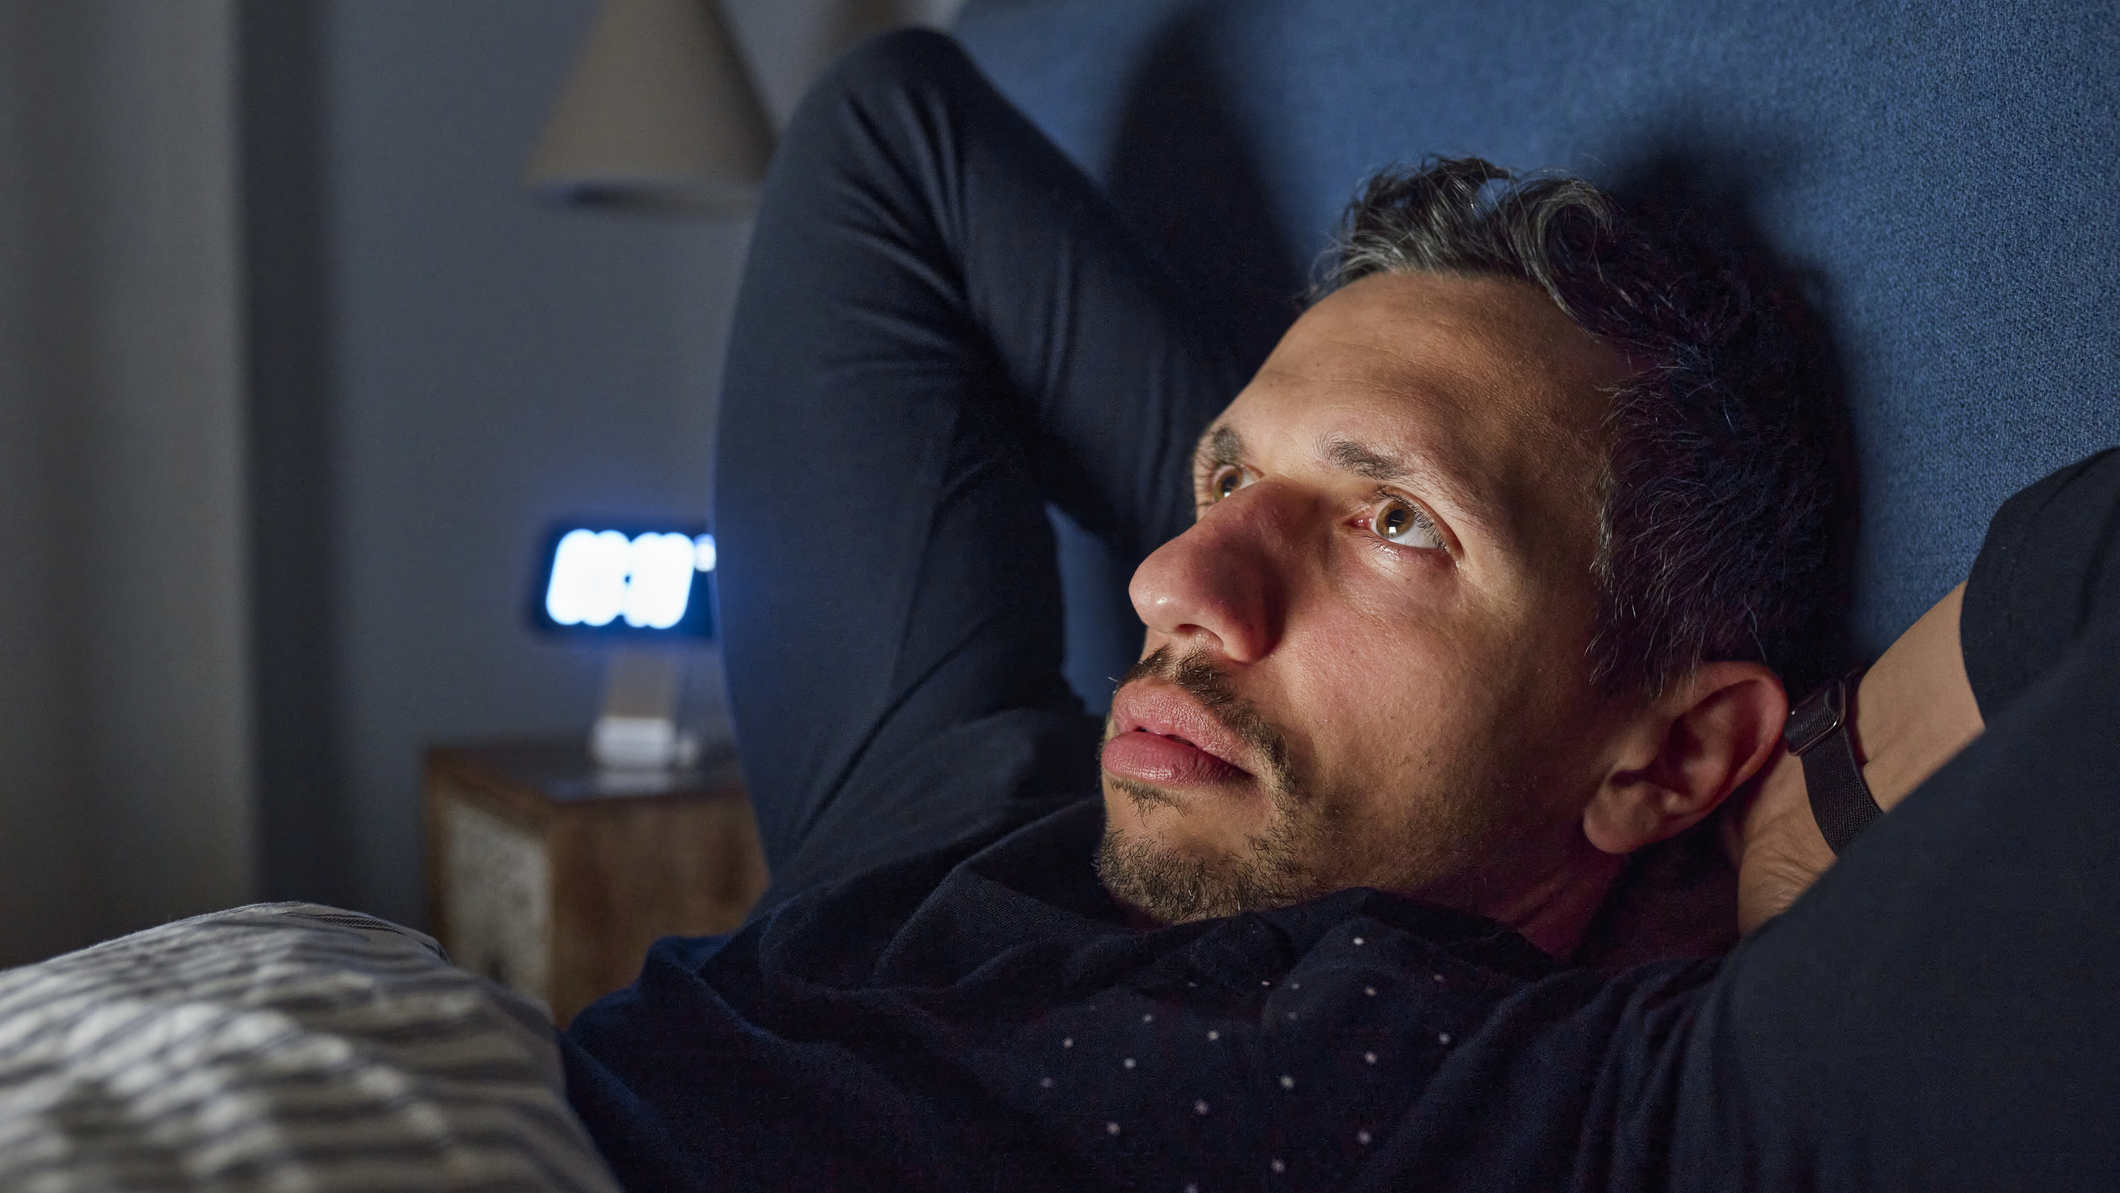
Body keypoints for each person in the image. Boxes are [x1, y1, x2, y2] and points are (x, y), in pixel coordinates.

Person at [560, 30, 2120, 1191]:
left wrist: (1794, 828)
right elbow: (894, 143)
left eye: (1398, 525)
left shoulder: (1592, 1121)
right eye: (1210, 484)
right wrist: (1316, 488)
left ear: (1674, 754)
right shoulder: (945, 812)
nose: (1171, 585)